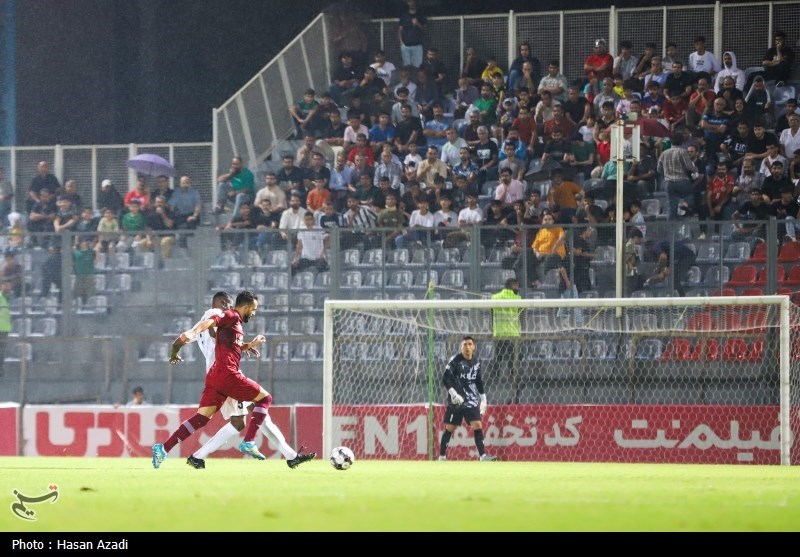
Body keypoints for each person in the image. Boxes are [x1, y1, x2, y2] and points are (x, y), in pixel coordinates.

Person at [184, 291, 315, 470]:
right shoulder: (214, 314)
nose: (231, 310)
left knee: (260, 411)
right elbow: (214, 329)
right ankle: (199, 455)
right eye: (229, 306)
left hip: (224, 370)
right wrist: (192, 332)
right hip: (224, 374)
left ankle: (291, 455)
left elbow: (220, 338)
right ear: (222, 303)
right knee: (242, 419)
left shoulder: (217, 319)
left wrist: (245, 345)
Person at [154, 291, 276, 468]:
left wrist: (248, 345)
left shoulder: (231, 324)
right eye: (254, 309)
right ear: (246, 306)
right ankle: (249, 441)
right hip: (228, 374)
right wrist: (194, 330)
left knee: (202, 419)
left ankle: (163, 448)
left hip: (214, 376)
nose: (254, 313)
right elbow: (212, 322)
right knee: (264, 399)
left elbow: (215, 338)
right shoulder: (228, 315)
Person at [438, 335, 498, 462]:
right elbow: (445, 378)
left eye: (470, 344)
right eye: (465, 344)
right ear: (461, 347)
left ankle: (482, 456)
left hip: (471, 400)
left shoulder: (476, 362)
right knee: (450, 428)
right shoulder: (455, 360)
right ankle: (442, 456)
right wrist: (454, 394)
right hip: (456, 401)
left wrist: (484, 399)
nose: (467, 347)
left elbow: (478, 381)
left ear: (474, 347)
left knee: (477, 425)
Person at [491, 278, 522, 404]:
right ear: (513, 285)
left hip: (499, 334)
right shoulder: (517, 299)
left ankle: (493, 379)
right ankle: (516, 383)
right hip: (512, 335)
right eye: (517, 285)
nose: (518, 288)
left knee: (498, 358)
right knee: (512, 362)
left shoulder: (495, 297)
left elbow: (491, 312)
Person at [0, 281, 10, 377]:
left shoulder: (5, 298)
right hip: (1, 329)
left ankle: (1, 370)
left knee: (2, 351)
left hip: (4, 329)